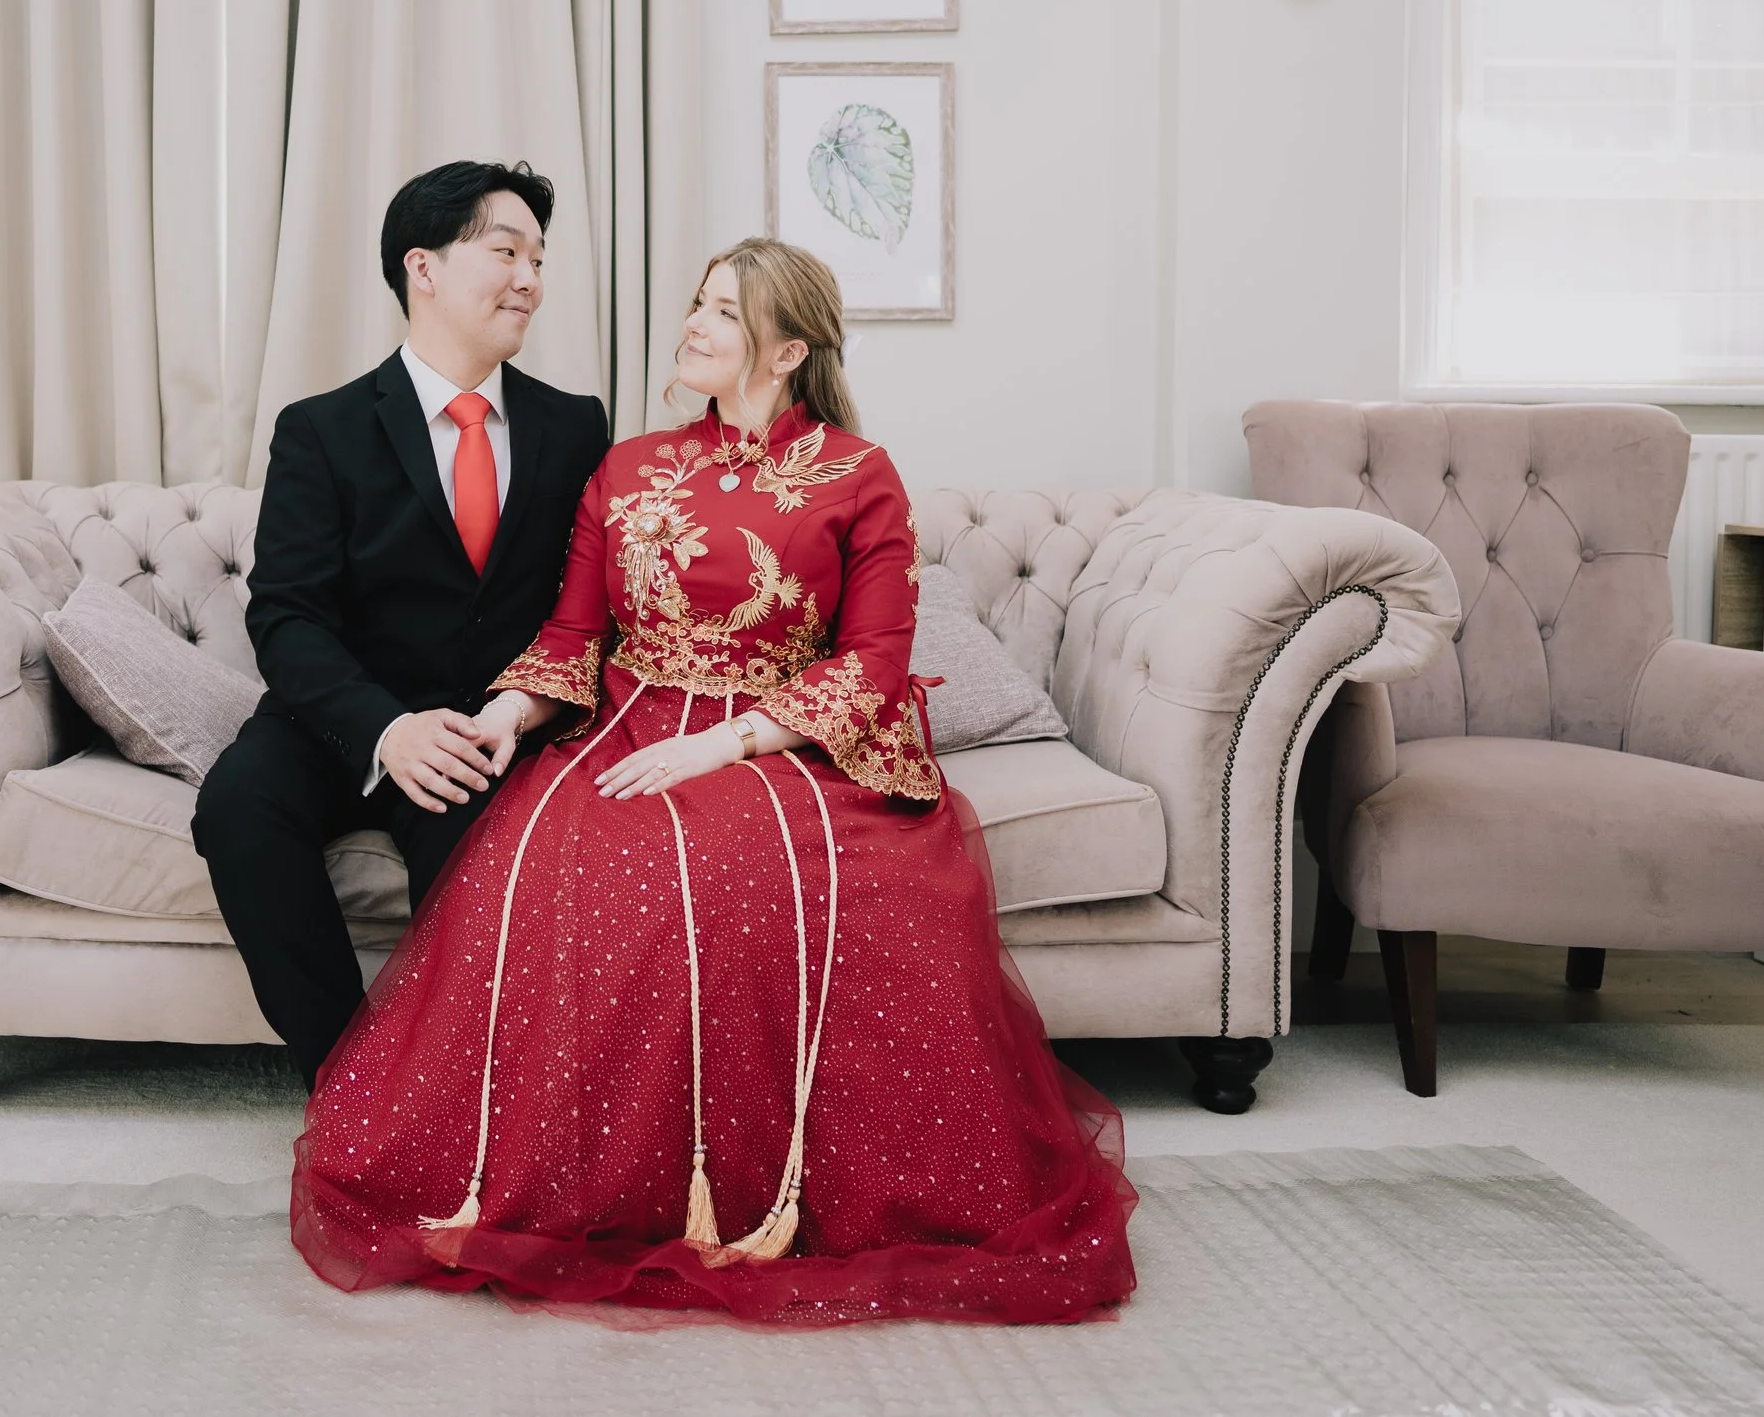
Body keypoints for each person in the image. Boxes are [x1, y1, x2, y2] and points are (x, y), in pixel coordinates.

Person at [290, 238, 1137, 1327]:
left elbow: (874, 660)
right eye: (698, 302)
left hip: (783, 742)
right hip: (626, 728)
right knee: (560, 865)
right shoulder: (627, 467)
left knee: (748, 876)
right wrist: (506, 712)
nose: (692, 322)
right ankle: (588, 1188)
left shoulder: (857, 474)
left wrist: (727, 743)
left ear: (787, 350)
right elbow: (574, 636)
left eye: (725, 313)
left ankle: (752, 1192)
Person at [194, 161, 611, 1090]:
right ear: (422, 267)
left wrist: (508, 715)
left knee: (483, 856)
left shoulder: (575, 427)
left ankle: (462, 1094)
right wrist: (386, 727)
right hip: (340, 718)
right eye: (506, 252)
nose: (530, 279)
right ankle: (350, 1085)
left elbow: (587, 609)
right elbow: (287, 614)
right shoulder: (322, 429)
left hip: (485, 728)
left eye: (539, 259)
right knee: (238, 809)